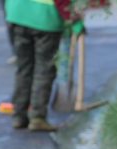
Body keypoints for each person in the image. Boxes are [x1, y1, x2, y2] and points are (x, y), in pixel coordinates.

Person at [5, 0, 72, 131]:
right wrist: (74, 19)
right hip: (45, 18)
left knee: (24, 67)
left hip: (17, 13)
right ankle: (37, 117)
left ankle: (19, 116)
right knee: (44, 69)